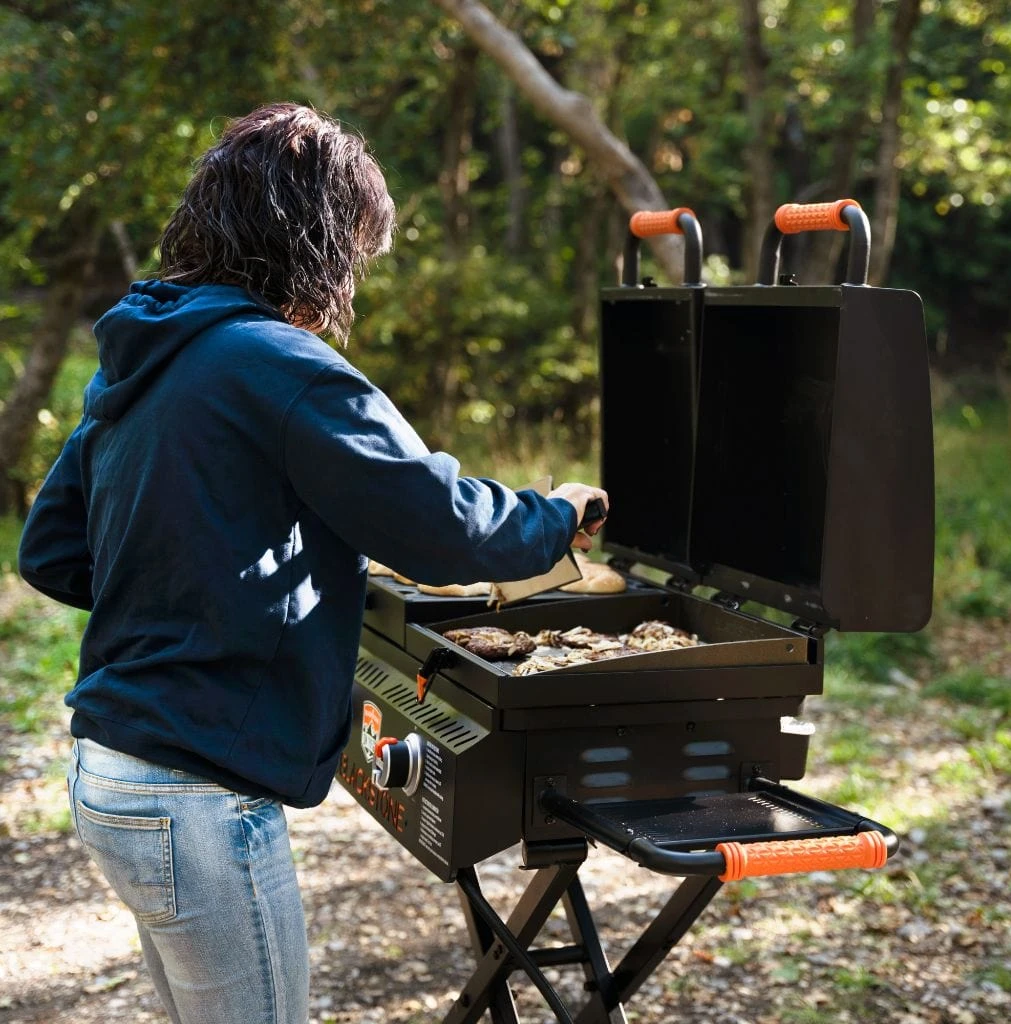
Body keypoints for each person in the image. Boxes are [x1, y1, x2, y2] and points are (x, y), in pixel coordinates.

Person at [17, 103, 608, 1024]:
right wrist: (552, 517)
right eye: (356, 256)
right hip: (197, 797)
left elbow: (52, 550)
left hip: (112, 774)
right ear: (317, 246)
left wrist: (205, 581)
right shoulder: (278, 365)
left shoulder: (144, 353)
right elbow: (440, 527)